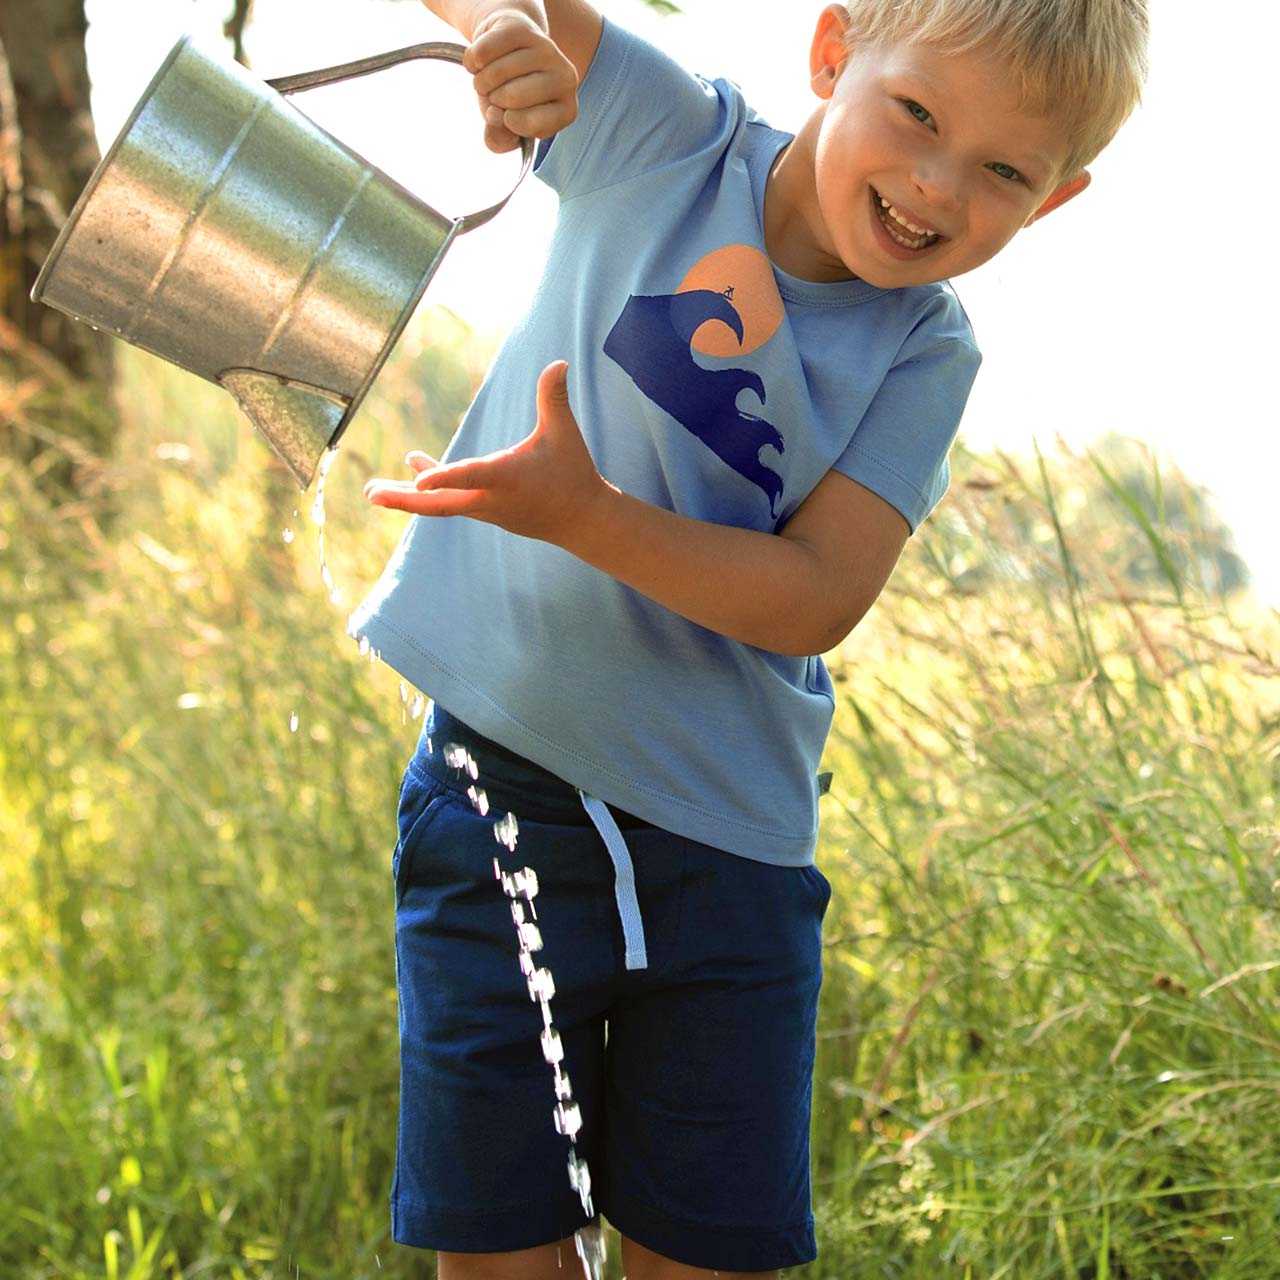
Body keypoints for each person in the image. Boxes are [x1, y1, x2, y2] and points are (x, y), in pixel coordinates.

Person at [351, 0, 1149, 1275]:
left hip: (724, 857)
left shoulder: (922, 351)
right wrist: (506, 28)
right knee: (499, 1247)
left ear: (1050, 202)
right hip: (496, 793)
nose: (934, 187)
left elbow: (814, 593)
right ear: (832, 54)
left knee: (704, 1254)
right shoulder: (664, 138)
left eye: (1004, 170)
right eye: (917, 114)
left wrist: (585, 518)